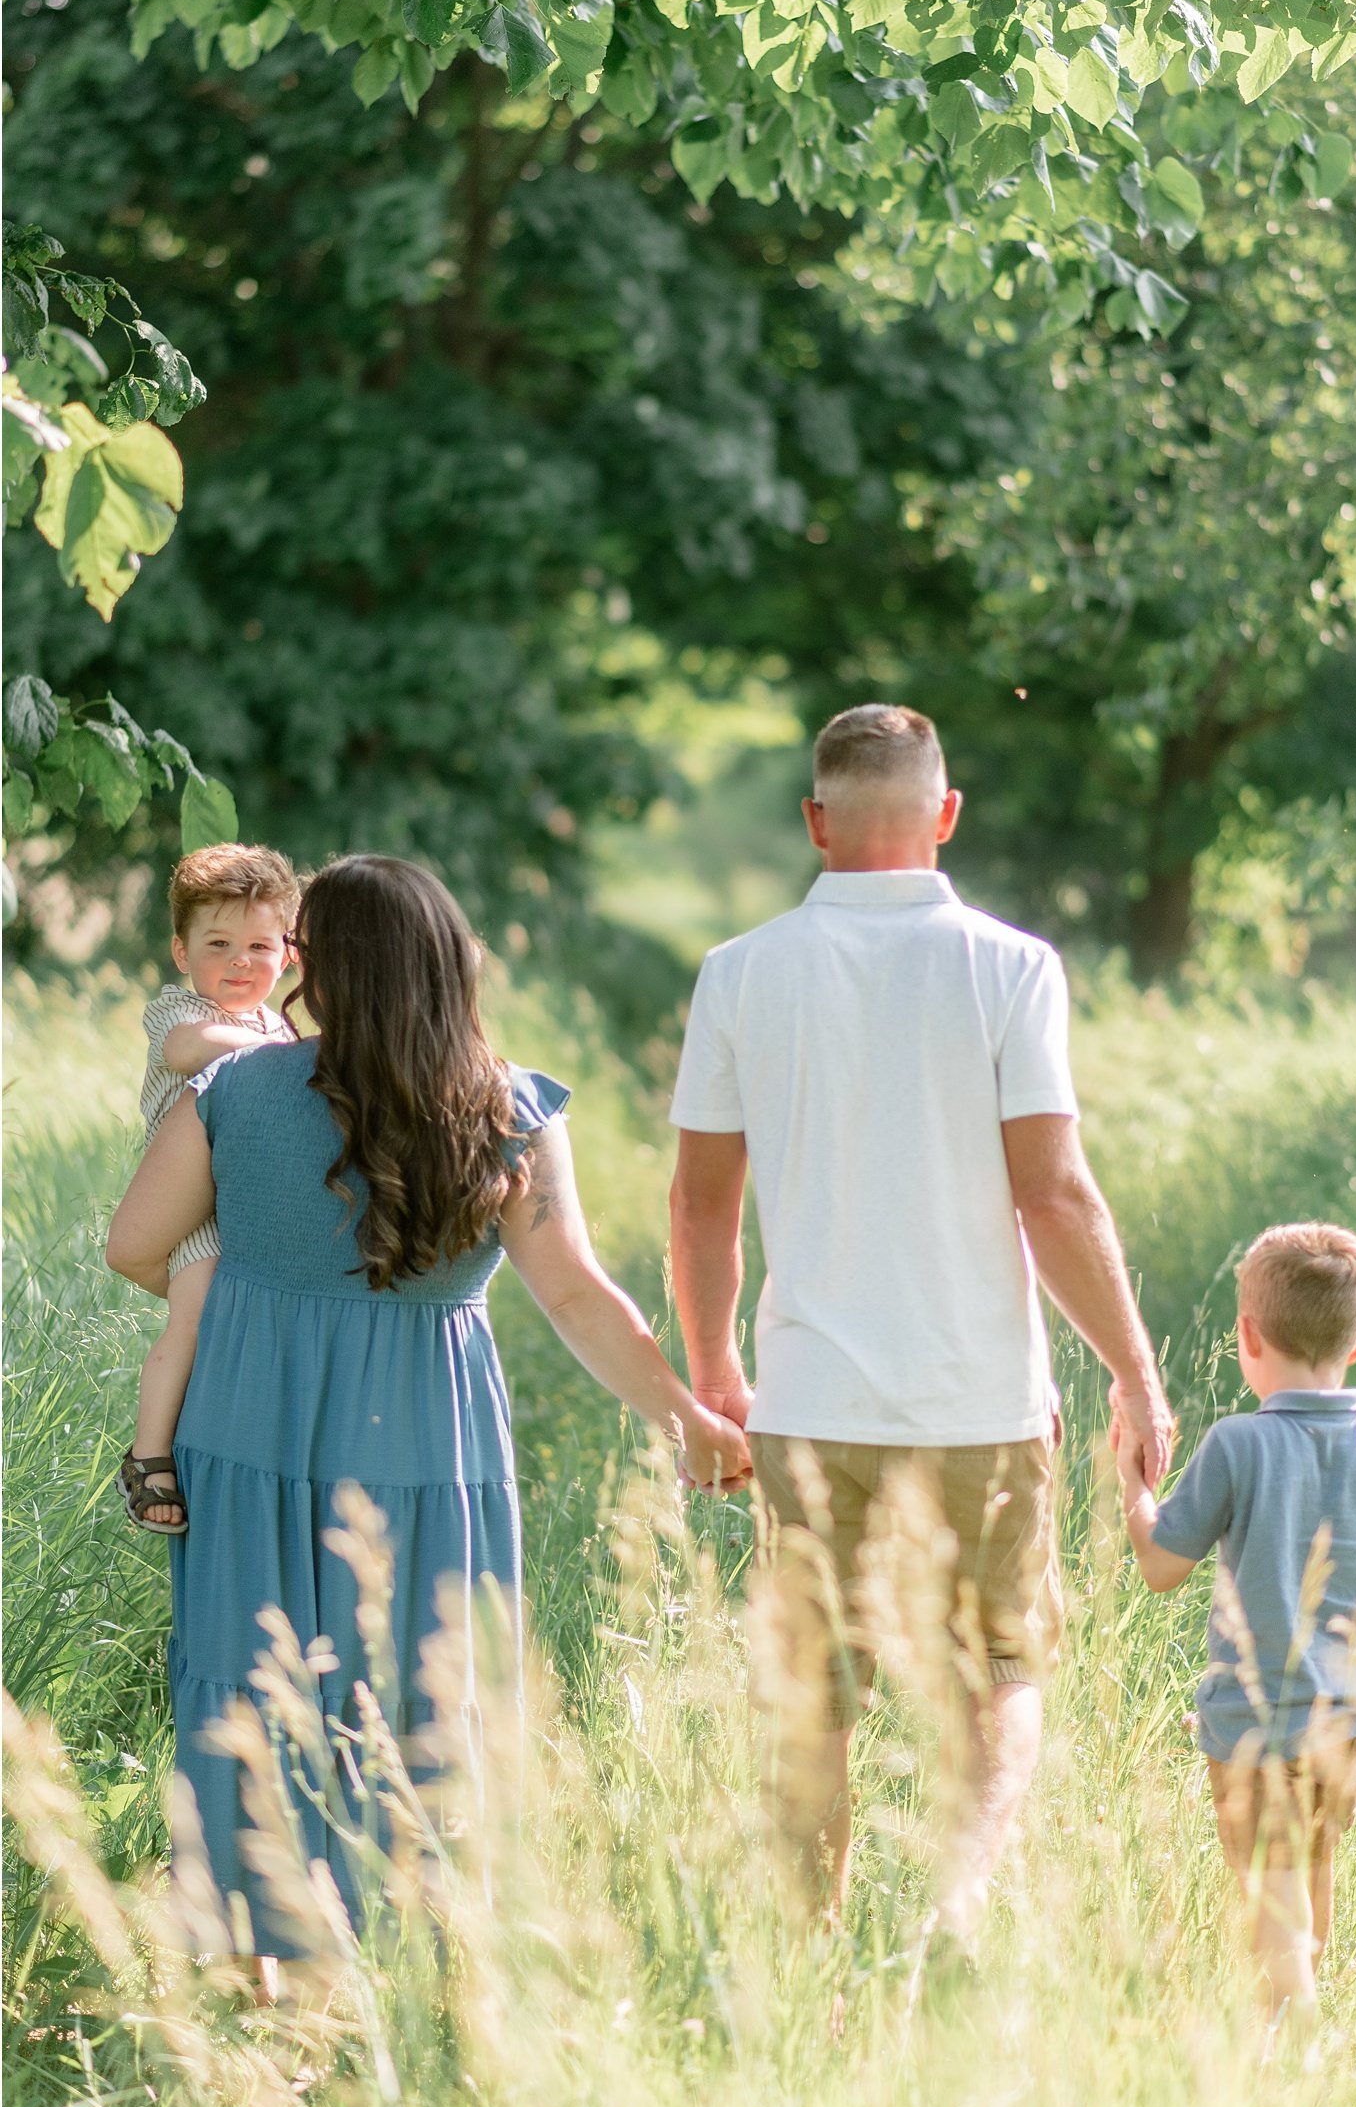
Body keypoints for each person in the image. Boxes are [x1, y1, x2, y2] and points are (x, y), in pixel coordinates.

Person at [106, 853, 750, 1973]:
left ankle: (269, 1973)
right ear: (453, 964)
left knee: (255, 1683)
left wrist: (262, 1309)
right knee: (417, 1679)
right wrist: (686, 1415)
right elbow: (575, 1295)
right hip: (427, 1433)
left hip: (250, 1426)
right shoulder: (507, 1108)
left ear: (321, 968)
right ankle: (416, 1960)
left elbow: (133, 1247)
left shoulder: (239, 1092)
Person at [668, 703, 1174, 1933]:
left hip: (809, 1400)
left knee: (818, 1694)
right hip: (977, 1404)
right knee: (1001, 1674)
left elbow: (699, 1206)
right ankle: (957, 1904)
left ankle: (812, 1951)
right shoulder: (1010, 966)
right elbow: (1052, 1192)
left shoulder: (739, 974)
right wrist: (1135, 1373)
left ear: (815, 821)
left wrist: (715, 1371)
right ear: (946, 814)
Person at [1118, 1221, 1356, 2022]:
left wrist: (1131, 1482)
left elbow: (1161, 1567)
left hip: (1257, 1724)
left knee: (1272, 1895)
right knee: (1311, 1864)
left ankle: (1289, 2033)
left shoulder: (1239, 1443)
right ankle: (1302, 2003)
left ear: (1247, 1334)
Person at [117, 844, 301, 1535]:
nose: (240, 961)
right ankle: (149, 1453)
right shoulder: (179, 1010)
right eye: (218, 943)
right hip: (189, 1197)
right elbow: (189, 1051)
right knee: (194, 1315)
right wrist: (275, 1052)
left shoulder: (277, 1024)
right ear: (180, 950)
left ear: (287, 953)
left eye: (260, 944)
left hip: (244, 1198)